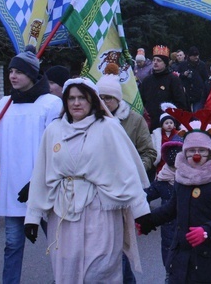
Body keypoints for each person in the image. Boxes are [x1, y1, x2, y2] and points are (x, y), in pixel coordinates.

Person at [25, 78, 151, 283]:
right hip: (64, 212)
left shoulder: (108, 127)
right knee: (67, 269)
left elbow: (126, 172)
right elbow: (41, 174)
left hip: (100, 210)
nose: (76, 103)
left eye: (82, 98)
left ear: (92, 100)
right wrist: (32, 216)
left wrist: (141, 211)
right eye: (71, 98)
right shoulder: (53, 130)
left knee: (98, 271)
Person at [0, 48, 63, 284]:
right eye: (11, 71)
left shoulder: (51, 104)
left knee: (59, 245)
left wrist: (45, 178)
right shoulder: (5, 104)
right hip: (13, 189)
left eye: (19, 71)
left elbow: (57, 146)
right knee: (12, 244)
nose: (13, 76)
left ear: (32, 74)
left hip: (44, 188)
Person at [138, 108, 211, 284]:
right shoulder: (182, 178)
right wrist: (147, 220)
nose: (196, 155)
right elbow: (172, 208)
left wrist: (207, 230)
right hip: (183, 255)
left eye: (202, 149)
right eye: (191, 150)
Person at [97, 64, 157, 172]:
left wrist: (136, 170)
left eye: (108, 98)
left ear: (118, 99)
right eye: (100, 98)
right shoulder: (91, 119)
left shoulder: (135, 120)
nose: (103, 102)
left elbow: (148, 152)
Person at [145, 138, 183, 281]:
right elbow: (147, 194)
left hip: (188, 227)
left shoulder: (190, 178)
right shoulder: (162, 180)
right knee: (170, 264)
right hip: (168, 229)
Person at [140, 45, 187, 130]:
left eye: (159, 60)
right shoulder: (147, 80)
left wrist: (174, 121)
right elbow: (141, 101)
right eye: (154, 60)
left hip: (168, 124)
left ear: (165, 63)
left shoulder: (173, 80)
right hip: (149, 124)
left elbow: (181, 103)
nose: (155, 62)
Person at [177, 47, 210, 111]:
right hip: (186, 95)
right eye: (194, 55)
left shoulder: (202, 65)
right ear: (189, 56)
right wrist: (183, 74)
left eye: (197, 55)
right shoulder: (183, 65)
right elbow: (177, 76)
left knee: (196, 115)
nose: (196, 57)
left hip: (198, 95)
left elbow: (206, 79)